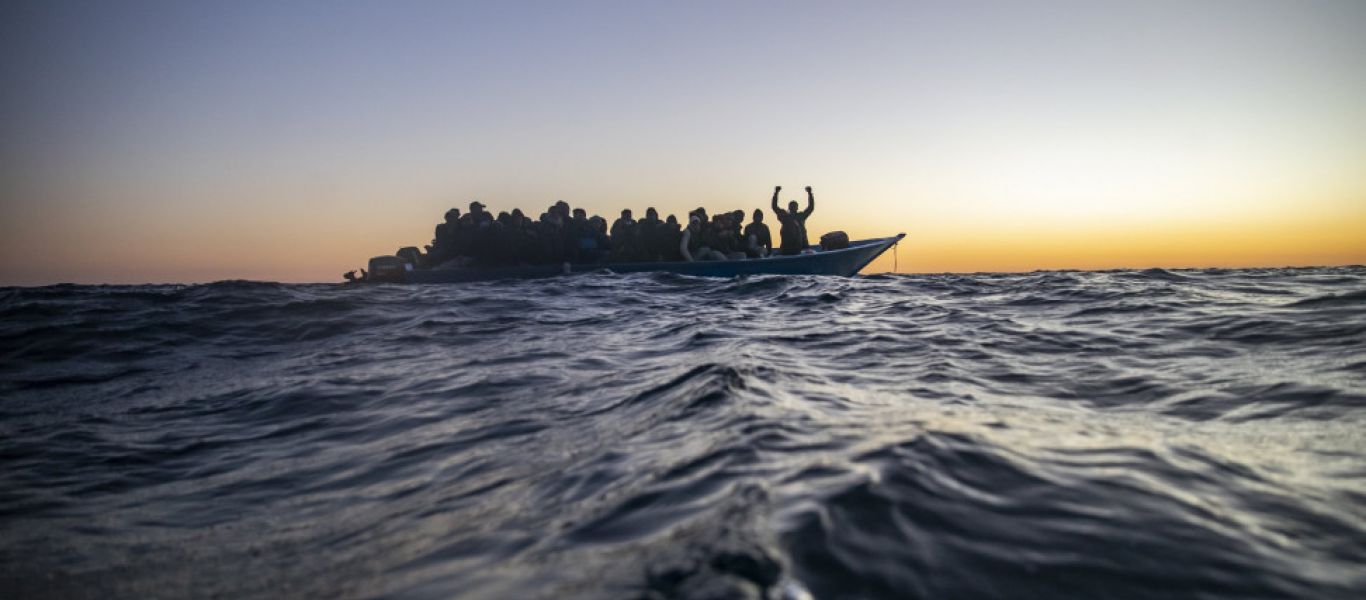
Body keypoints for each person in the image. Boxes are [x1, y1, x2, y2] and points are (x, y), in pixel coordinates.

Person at [771, 185, 815, 255]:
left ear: (797, 208)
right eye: (792, 206)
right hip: (786, 248)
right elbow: (774, 207)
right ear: (789, 208)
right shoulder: (785, 217)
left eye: (794, 205)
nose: (793, 207)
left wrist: (810, 193)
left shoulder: (801, 216)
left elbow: (811, 207)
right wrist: (776, 193)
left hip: (803, 246)